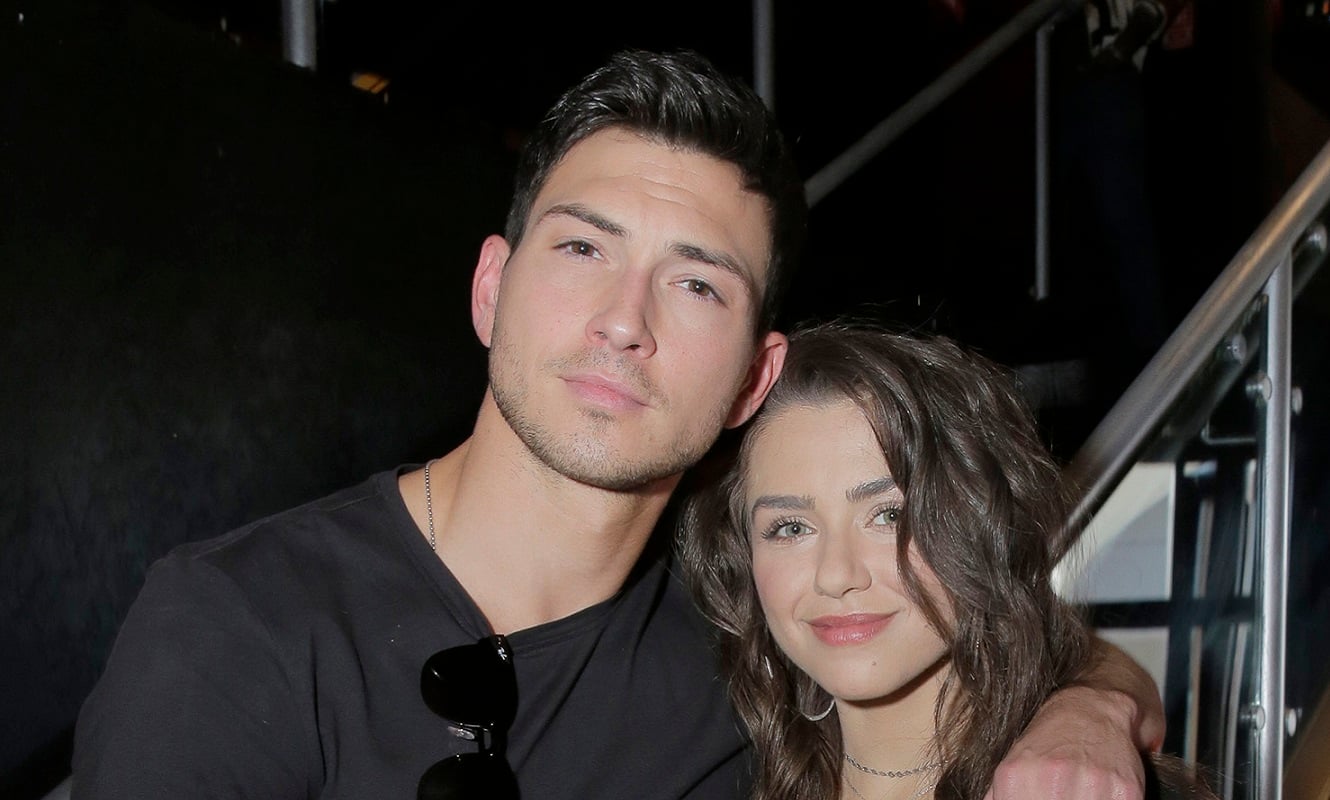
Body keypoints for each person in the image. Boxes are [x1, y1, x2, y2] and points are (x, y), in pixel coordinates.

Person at [75, 50, 1160, 799]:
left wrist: (1090, 713)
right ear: (490, 289)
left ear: (754, 377)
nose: (624, 322)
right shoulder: (241, 633)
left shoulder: (747, 625)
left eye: (696, 284)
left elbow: (1030, 647)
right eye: (582, 248)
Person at [679, 321, 1207, 800]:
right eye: (791, 528)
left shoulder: (1090, 787)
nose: (836, 575)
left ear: (980, 524)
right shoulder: (717, 771)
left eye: (890, 515)